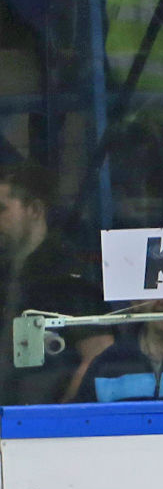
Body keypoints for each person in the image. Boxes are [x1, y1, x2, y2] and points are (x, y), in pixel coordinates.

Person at [0, 163, 108, 405]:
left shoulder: (66, 274)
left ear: (35, 210)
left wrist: (56, 418)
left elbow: (99, 354)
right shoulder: (7, 272)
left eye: (1, 210)